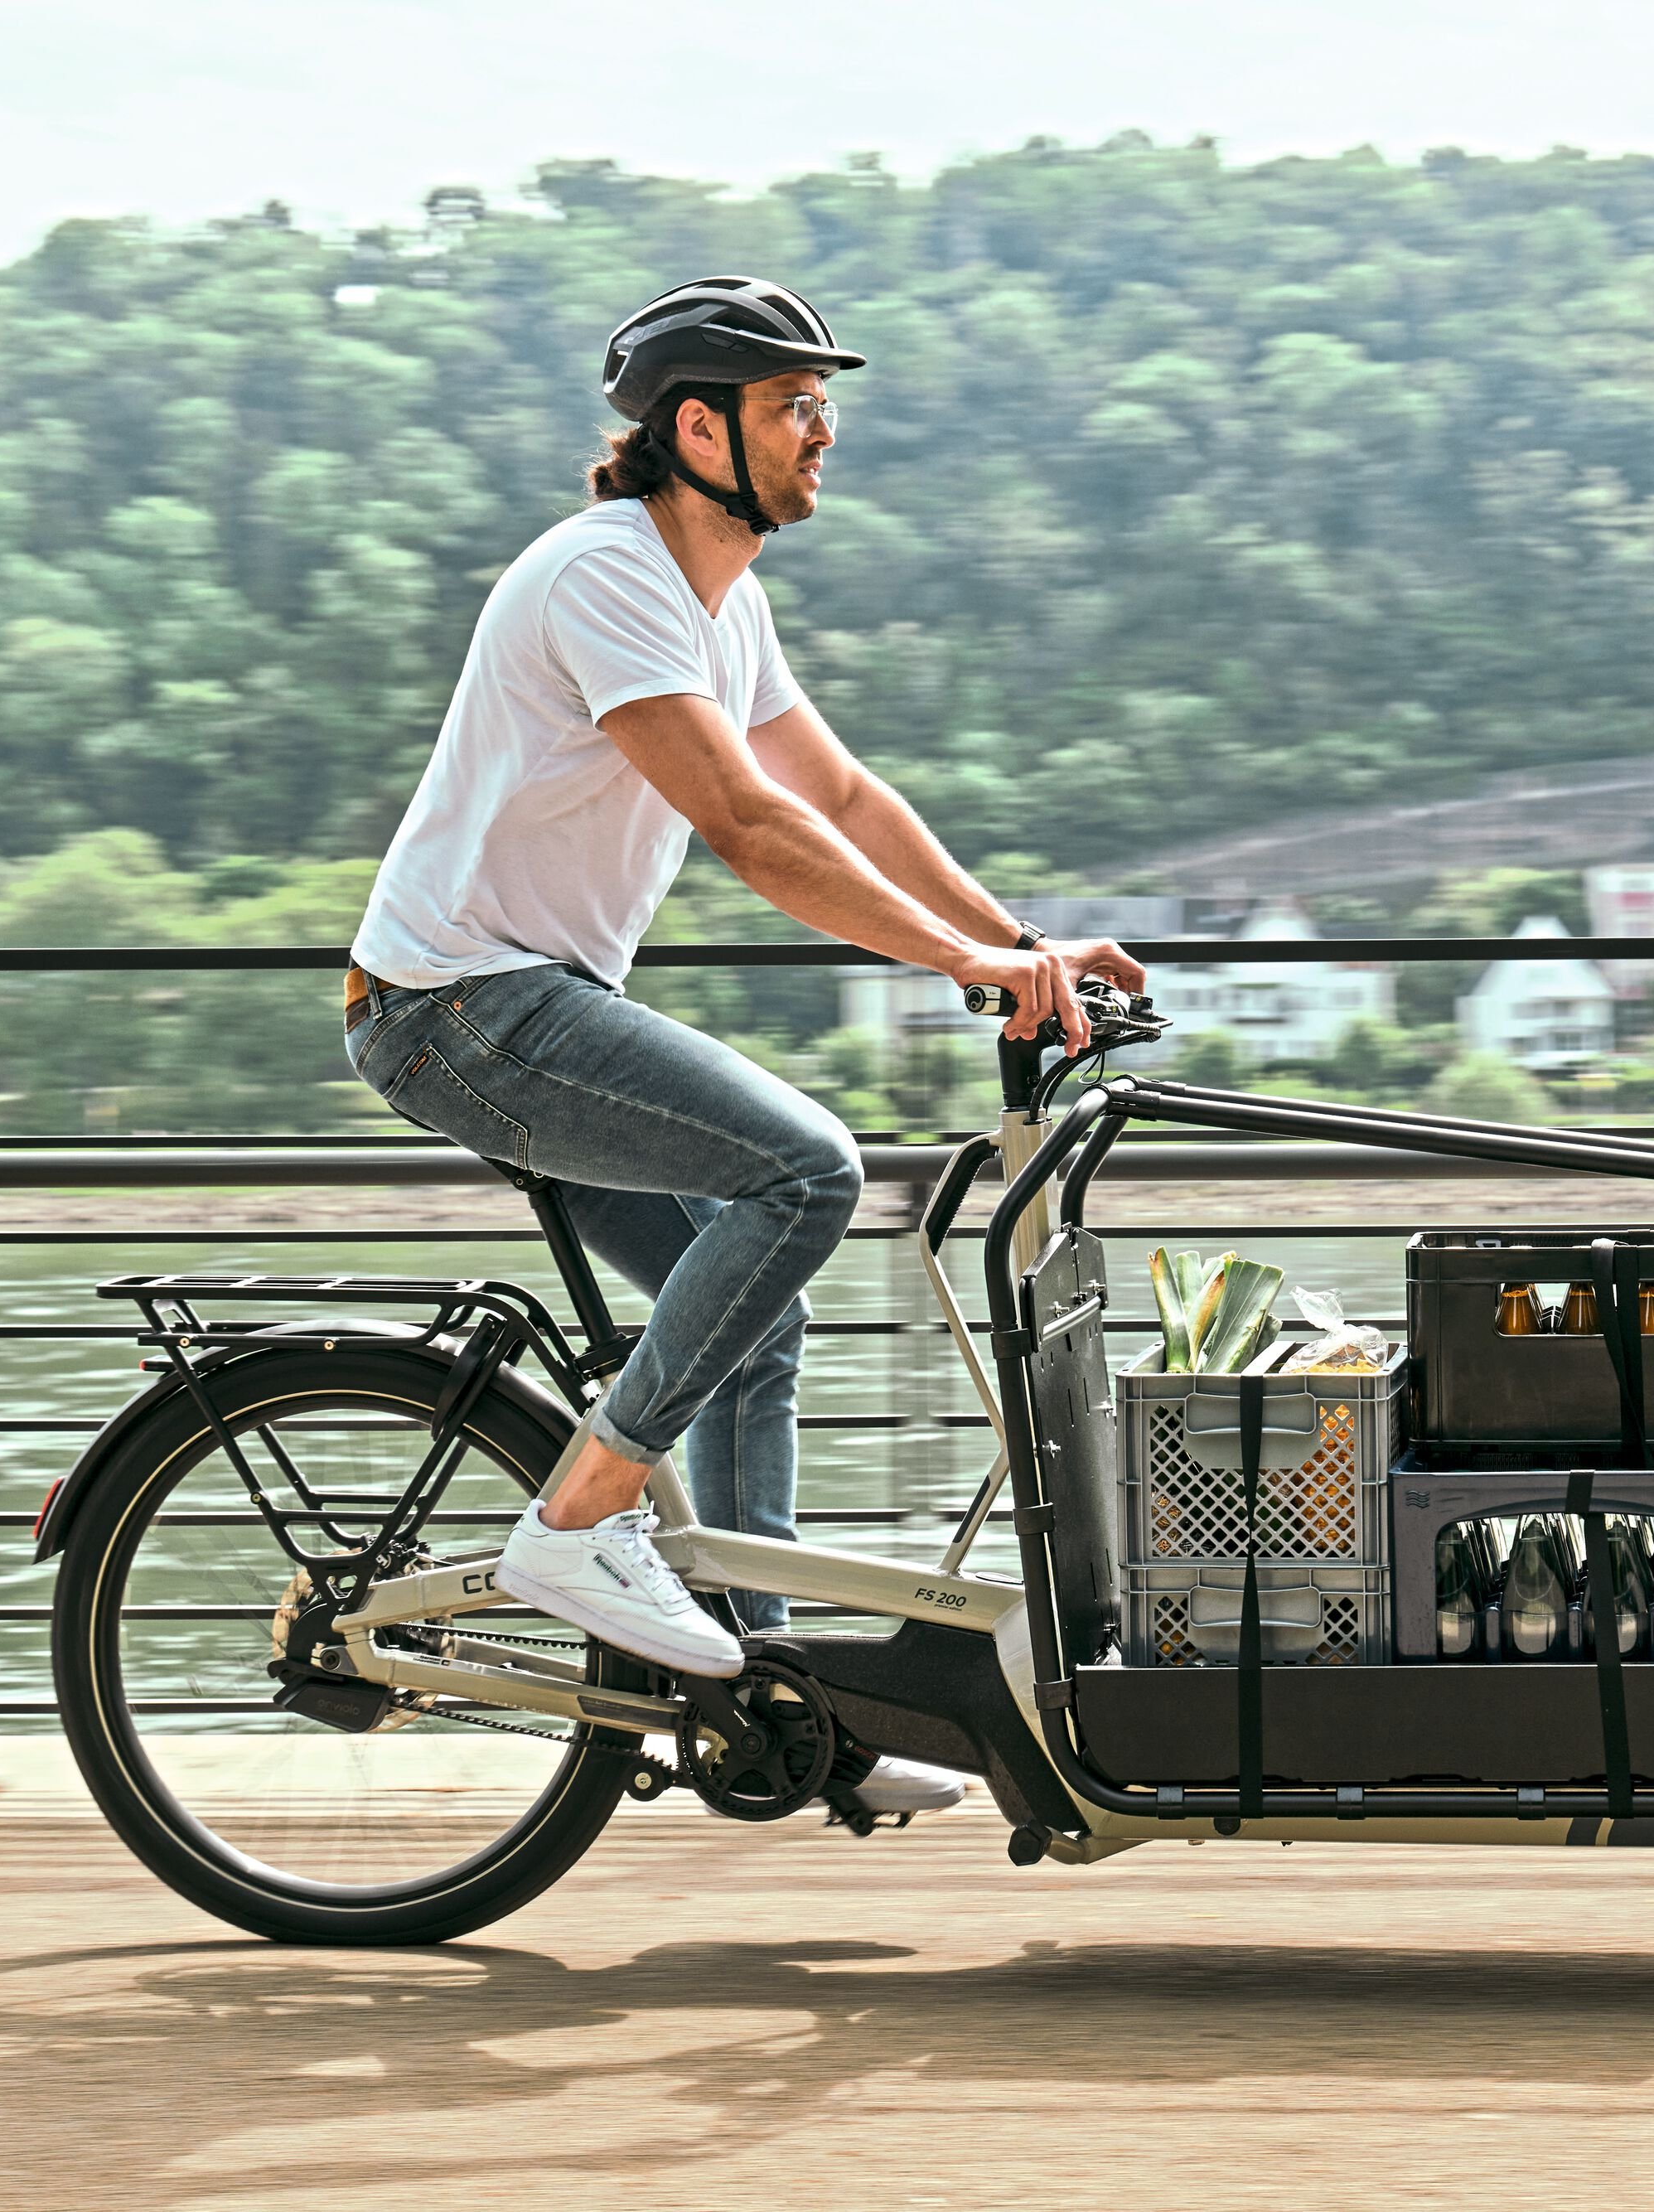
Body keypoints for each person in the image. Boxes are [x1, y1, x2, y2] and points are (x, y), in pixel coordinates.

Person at [341, 276, 1144, 1815]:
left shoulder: (726, 598)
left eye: (822, 403)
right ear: (695, 428)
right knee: (805, 1172)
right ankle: (577, 1523)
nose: (822, 429)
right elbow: (752, 827)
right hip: (458, 1009)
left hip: (532, 1004)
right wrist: (968, 961)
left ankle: (771, 1704)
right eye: (792, 405)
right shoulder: (606, 578)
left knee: (752, 1307)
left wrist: (1019, 948)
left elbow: (841, 796)